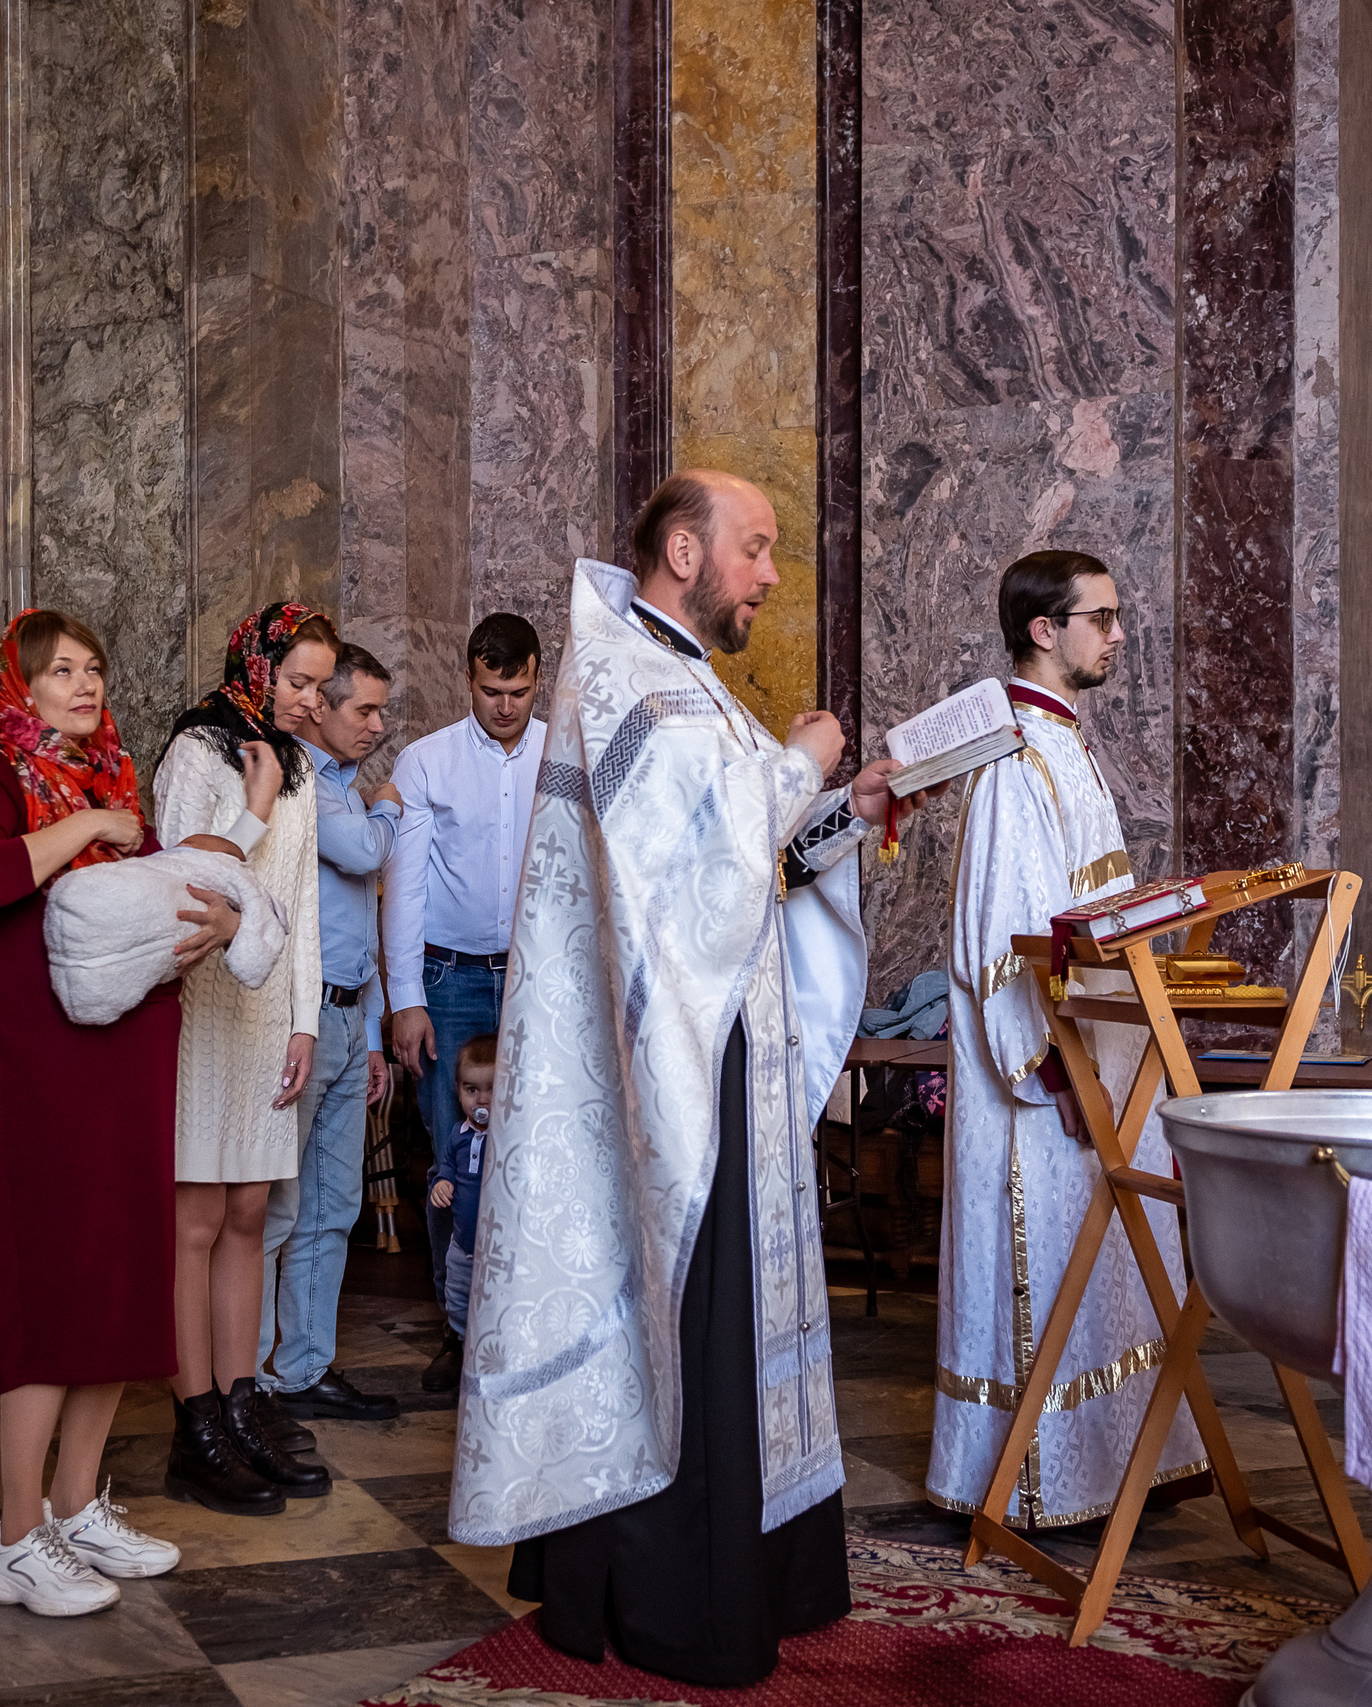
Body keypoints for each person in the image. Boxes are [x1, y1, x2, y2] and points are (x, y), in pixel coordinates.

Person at [448, 471, 914, 1688]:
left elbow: (735, 859)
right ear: (681, 549)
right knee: (676, 1316)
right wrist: (802, 759)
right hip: (659, 1070)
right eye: (754, 550)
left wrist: (838, 809)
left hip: (717, 1048)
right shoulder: (615, 673)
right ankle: (665, 1604)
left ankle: (758, 1569)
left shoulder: (680, 674)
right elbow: (689, 866)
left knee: (724, 1323)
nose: (768, 573)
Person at [0, 608, 237, 1613]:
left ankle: (73, 1508)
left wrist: (216, 922)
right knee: (52, 1294)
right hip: (39, 1078)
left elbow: (166, 893)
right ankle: (13, 1536)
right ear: (17, 685)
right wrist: (88, 828)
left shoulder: (113, 780)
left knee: (118, 1284)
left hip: (125, 1069)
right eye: (60, 669)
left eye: (94, 669)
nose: (83, 683)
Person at [929, 549, 1210, 1528]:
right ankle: (1038, 1477)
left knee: (1111, 1269)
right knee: (1047, 1263)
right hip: (1050, 1073)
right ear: (1044, 631)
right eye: (1101, 617)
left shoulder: (1063, 741)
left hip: (1097, 1048)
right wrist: (1058, 1066)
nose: (1118, 633)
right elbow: (1001, 938)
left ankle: (1113, 1463)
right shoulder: (1013, 755)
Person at [156, 602, 336, 1512]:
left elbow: (297, 904)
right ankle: (192, 1419)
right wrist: (253, 808)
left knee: (249, 1214)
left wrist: (304, 1021)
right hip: (201, 1005)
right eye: (297, 681)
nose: (309, 700)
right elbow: (189, 874)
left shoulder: (299, 766)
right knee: (195, 1219)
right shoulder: (198, 749)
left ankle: (237, 1396)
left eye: (318, 685)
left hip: (266, 1015)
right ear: (257, 667)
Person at [382, 612, 546, 1390]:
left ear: (537, 677)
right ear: (468, 678)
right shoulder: (426, 762)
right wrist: (405, 996)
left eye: (516, 690)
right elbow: (403, 883)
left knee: (535, 1149)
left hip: (534, 978)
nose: (504, 705)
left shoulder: (561, 753)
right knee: (456, 1153)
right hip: (446, 980)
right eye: (490, 690)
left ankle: (523, 1328)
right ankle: (457, 1329)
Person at [259, 643, 402, 1423]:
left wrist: (376, 1036)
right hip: (299, 1018)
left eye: (382, 710)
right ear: (321, 705)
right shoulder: (302, 779)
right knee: (277, 1206)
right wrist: (389, 806)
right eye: (365, 710)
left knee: (333, 1204)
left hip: (350, 1015)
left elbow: (361, 924)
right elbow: (363, 851)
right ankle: (245, 1377)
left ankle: (304, 1367)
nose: (377, 726)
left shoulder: (346, 784)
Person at [428, 1034, 496, 1344]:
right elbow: (448, 1167)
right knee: (457, 1294)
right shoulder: (458, 1134)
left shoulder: (505, 1136)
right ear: (458, 1092)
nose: (481, 1100)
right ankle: (460, 1341)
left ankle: (488, 1346)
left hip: (494, 1248)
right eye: (471, 1090)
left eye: (491, 1089)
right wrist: (443, 1182)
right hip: (461, 1245)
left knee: (493, 1299)